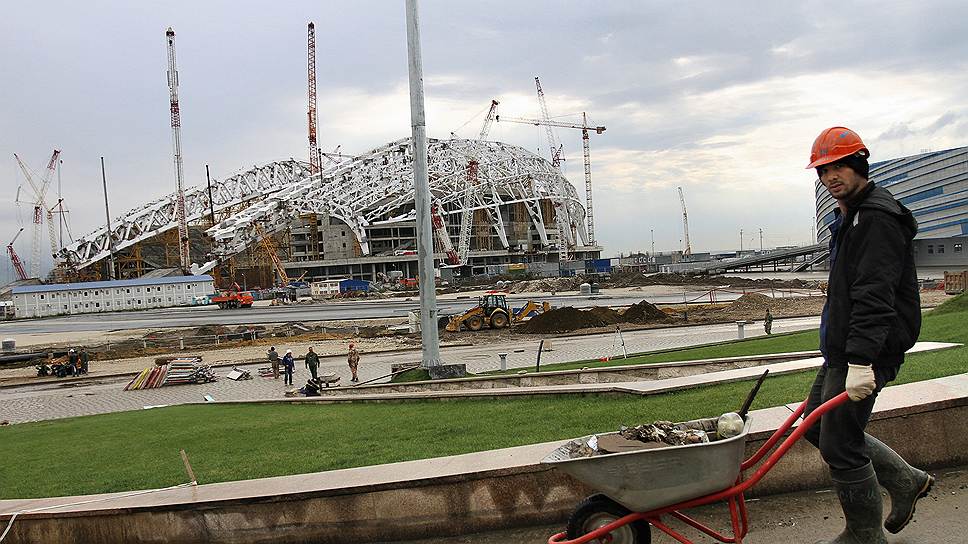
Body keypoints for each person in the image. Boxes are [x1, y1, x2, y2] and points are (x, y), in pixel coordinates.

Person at [802, 127, 932, 544]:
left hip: (867, 352)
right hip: (843, 349)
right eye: (823, 170)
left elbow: (874, 295)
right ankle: (906, 480)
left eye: (838, 166)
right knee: (815, 427)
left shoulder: (876, 219)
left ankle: (864, 534)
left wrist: (861, 362)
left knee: (840, 444)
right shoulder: (850, 215)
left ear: (859, 165)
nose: (830, 176)